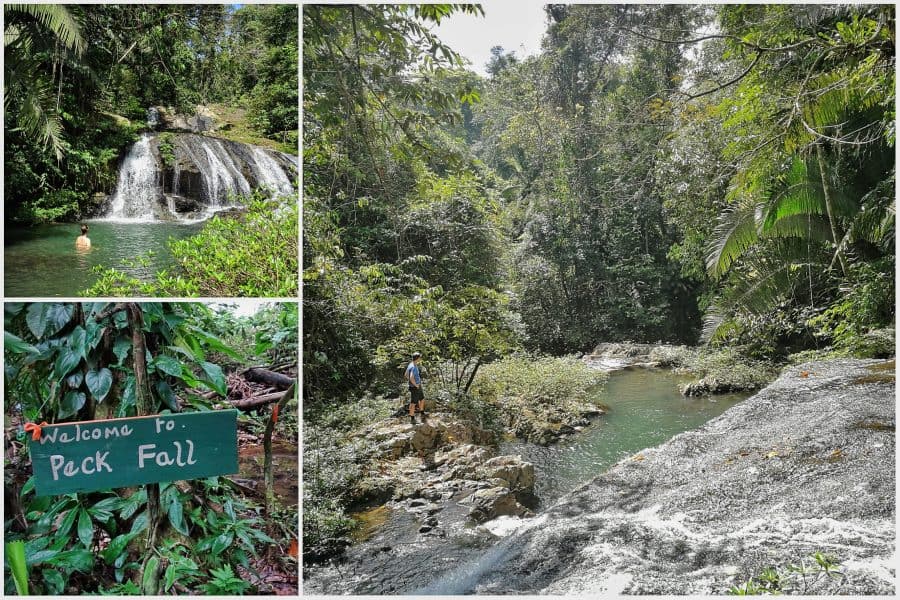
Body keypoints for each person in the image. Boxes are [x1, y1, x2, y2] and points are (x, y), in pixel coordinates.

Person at [405, 352, 425, 424]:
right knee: (413, 402)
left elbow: (406, 374)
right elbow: (410, 377)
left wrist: (413, 382)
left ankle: (422, 412)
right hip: (415, 387)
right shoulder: (413, 366)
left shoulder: (411, 364)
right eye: (420, 357)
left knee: (422, 399)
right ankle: (412, 418)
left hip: (416, 386)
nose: (420, 359)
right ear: (418, 358)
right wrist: (415, 384)